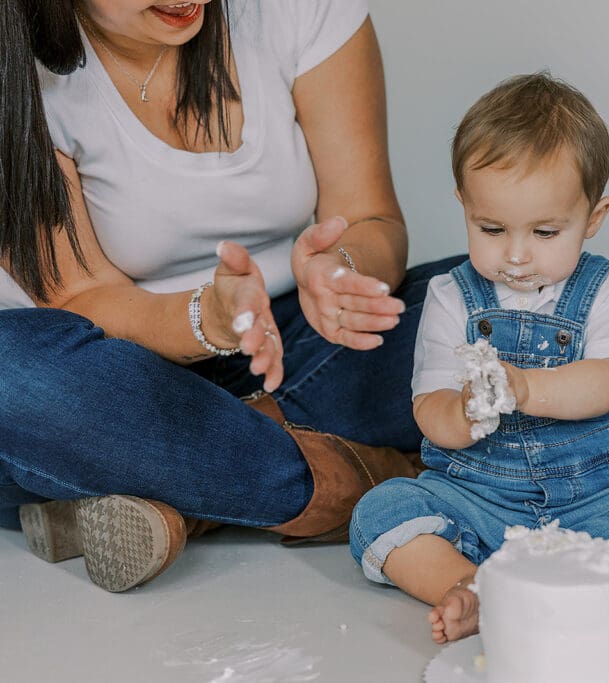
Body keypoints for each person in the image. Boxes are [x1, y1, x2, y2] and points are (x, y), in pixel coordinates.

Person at [0, 0, 461, 593]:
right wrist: (210, 317)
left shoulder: (299, 11)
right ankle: (352, 483)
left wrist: (340, 270)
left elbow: (371, 217)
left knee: (582, 295)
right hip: (115, 372)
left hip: (294, 340)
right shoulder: (21, 71)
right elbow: (83, 296)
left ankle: (183, 490)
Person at [349, 73, 609, 644]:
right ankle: (473, 586)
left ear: (593, 219)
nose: (516, 256)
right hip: (478, 498)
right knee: (382, 510)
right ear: (464, 207)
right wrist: (464, 413)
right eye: (491, 228)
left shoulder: (608, 286)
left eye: (546, 231)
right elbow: (430, 408)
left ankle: (554, 580)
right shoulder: (451, 296)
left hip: (594, 500)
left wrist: (525, 389)